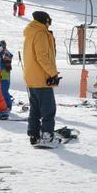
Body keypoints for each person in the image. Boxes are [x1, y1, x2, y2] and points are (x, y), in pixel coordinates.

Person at [22, 11, 60, 145]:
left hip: (31, 77)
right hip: (42, 78)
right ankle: (47, 135)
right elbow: (42, 56)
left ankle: (33, 134)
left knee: (35, 109)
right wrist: (53, 73)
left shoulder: (30, 33)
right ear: (46, 21)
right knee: (48, 110)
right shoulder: (41, 34)